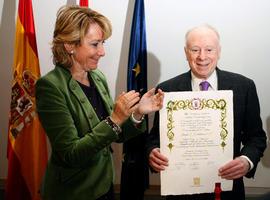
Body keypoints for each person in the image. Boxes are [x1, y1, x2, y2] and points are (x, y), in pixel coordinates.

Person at [35, 5, 164, 200]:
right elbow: (71, 154)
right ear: (70, 45)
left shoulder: (97, 77)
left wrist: (137, 113)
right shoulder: (50, 87)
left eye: (102, 43)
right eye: (95, 44)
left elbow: (115, 135)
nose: (102, 52)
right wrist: (115, 118)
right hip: (73, 192)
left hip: (104, 186)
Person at [145, 24, 267, 200]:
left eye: (209, 49)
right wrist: (152, 151)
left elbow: (257, 137)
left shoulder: (244, 87)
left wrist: (246, 161)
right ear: (186, 52)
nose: (202, 57)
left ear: (219, 51)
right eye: (195, 50)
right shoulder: (167, 89)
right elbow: (155, 137)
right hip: (181, 192)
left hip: (227, 190)